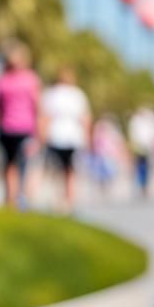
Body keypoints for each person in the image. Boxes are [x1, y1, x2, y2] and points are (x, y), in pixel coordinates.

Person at [0, 42, 41, 208]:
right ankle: (17, 200)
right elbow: (37, 107)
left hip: (14, 129)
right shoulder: (29, 79)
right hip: (17, 129)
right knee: (19, 166)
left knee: (12, 166)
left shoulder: (2, 80)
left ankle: (14, 199)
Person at [40, 66, 91, 212]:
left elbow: (45, 117)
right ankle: (68, 200)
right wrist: (87, 137)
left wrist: (42, 135)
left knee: (58, 170)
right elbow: (85, 118)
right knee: (69, 170)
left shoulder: (52, 94)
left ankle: (61, 200)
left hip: (57, 137)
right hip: (72, 138)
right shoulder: (77, 95)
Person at [127, 104, 154, 196]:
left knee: (148, 168)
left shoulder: (151, 121)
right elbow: (133, 134)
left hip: (149, 148)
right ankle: (140, 186)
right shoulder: (136, 121)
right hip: (138, 148)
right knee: (139, 168)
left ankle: (146, 186)